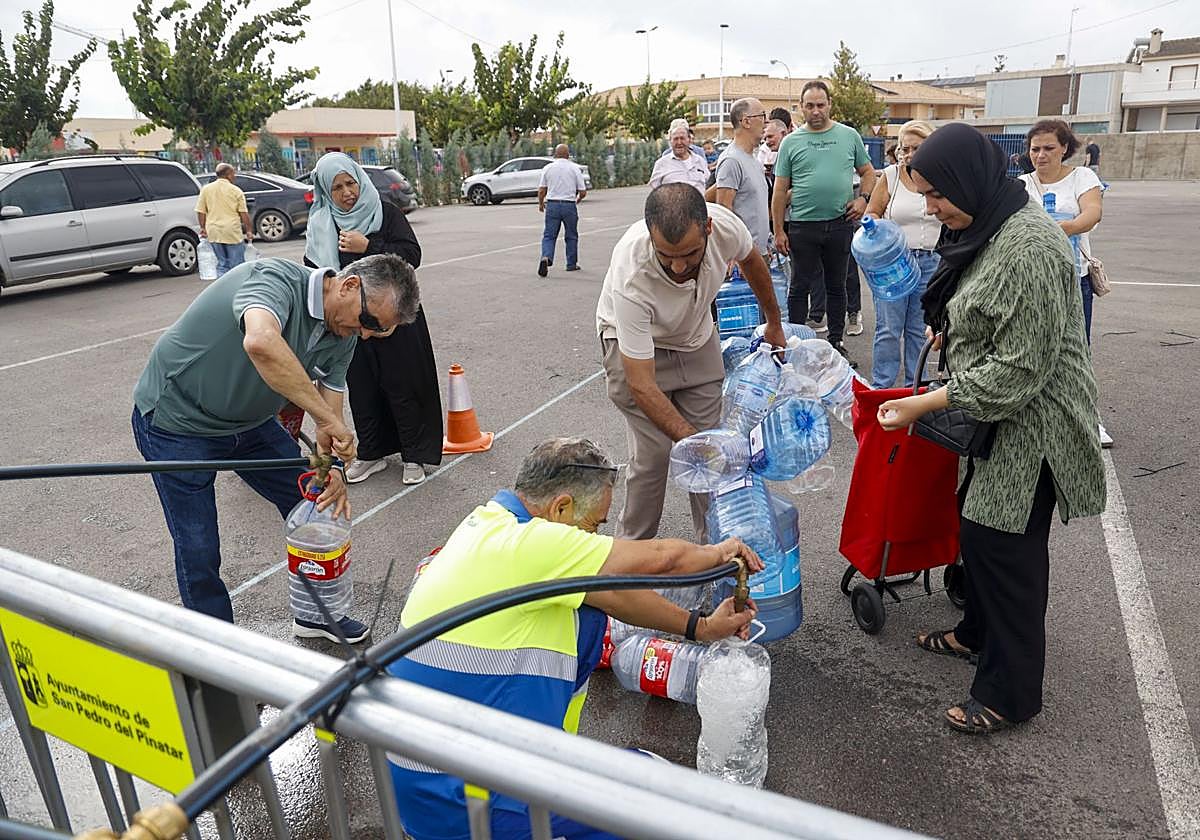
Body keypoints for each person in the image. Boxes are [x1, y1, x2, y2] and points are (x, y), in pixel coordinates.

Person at [386, 437, 763, 840]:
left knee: (589, 621)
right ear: (561, 507)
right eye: (594, 525)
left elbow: (610, 592)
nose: (596, 535)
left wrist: (700, 628)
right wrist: (722, 552)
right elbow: (664, 559)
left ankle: (556, 771)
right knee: (661, 801)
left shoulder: (492, 523)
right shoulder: (529, 546)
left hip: (441, 782)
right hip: (467, 800)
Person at [878, 123, 1105, 735]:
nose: (929, 208)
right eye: (921, 194)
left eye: (934, 195)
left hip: (1034, 427)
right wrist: (953, 328)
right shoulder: (992, 223)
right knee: (977, 530)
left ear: (965, 181)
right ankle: (973, 632)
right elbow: (987, 310)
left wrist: (922, 405)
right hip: (998, 421)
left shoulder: (1030, 247)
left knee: (1007, 553)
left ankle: (1010, 693)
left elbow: (1018, 370)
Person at [131, 253, 419, 641]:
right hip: (177, 423)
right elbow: (261, 341)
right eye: (368, 322)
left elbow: (328, 417)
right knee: (198, 547)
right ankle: (219, 651)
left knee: (317, 506)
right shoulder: (274, 280)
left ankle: (316, 614)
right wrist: (327, 419)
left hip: (249, 425)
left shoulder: (343, 333)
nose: (365, 335)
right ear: (349, 285)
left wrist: (329, 468)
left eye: (378, 333)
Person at [596, 183, 785, 541]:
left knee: (714, 452)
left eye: (689, 253)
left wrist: (774, 323)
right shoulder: (631, 272)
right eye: (666, 255)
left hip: (694, 337)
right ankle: (630, 560)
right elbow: (640, 382)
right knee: (653, 458)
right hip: (635, 346)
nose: (678, 265)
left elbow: (753, 262)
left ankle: (719, 551)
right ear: (651, 235)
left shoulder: (726, 226)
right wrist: (693, 443)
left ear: (708, 229)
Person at [303, 151, 441, 486]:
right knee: (362, 389)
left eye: (351, 183)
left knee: (403, 384)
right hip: (350, 324)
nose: (347, 192)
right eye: (337, 187)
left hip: (394, 316)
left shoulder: (384, 213)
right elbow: (313, 273)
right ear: (325, 191)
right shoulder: (321, 223)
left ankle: (414, 456)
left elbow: (412, 255)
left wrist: (370, 244)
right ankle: (372, 453)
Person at [1018, 119, 1110, 448]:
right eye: (1035, 149)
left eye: (1048, 148)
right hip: (1032, 282)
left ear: (1065, 149)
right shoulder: (1022, 184)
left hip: (1075, 279)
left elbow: (1093, 212)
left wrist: (1064, 228)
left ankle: (1088, 417)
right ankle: (1039, 415)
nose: (1040, 155)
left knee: (1077, 349)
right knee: (1034, 348)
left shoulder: (1082, 177)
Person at [771, 80, 876, 357]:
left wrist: (863, 200)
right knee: (799, 286)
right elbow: (780, 190)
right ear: (801, 108)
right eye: (809, 106)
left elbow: (868, 173)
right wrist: (779, 230)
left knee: (836, 285)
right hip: (803, 226)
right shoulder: (791, 142)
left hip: (839, 223)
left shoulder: (848, 135)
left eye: (820, 105)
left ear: (829, 105)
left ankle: (836, 343)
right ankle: (795, 344)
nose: (816, 111)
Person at [864, 120, 941, 388]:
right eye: (904, 149)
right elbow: (871, 212)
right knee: (888, 329)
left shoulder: (944, 175)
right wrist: (876, 229)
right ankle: (881, 388)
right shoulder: (891, 176)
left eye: (916, 148)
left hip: (931, 261)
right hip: (894, 264)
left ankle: (916, 389)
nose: (908, 155)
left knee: (919, 331)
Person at [713, 98, 771, 258]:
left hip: (759, 253)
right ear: (746, 122)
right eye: (762, 116)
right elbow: (724, 212)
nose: (766, 122)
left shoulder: (753, 160)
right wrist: (732, 254)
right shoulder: (731, 161)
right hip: (743, 259)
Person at [538, 144, 587, 277]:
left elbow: (542, 189)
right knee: (571, 235)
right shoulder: (574, 168)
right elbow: (583, 191)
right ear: (568, 155)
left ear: (555, 154)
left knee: (549, 235)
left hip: (552, 205)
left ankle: (546, 257)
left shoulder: (548, 168)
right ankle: (571, 264)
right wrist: (577, 200)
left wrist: (541, 204)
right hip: (569, 205)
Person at [195, 163, 252, 277]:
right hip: (232, 232)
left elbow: (201, 211)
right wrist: (249, 230)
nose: (234, 176)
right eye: (233, 173)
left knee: (222, 264)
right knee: (237, 265)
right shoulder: (236, 191)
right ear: (228, 175)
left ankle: (223, 288)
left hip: (214, 232)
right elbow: (243, 214)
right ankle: (237, 289)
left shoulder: (206, 189)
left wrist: (203, 227)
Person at [648, 119, 710, 194]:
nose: (679, 142)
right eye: (675, 139)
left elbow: (707, 184)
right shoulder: (661, 164)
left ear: (689, 139)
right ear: (670, 141)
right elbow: (654, 194)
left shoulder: (700, 161)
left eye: (682, 138)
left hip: (698, 205)